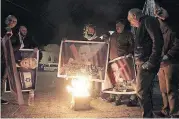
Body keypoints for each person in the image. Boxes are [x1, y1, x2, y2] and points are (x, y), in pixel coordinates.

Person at [127, 8, 164, 117]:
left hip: (146, 62)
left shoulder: (148, 21)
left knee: (141, 90)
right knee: (144, 90)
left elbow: (157, 41)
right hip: (144, 61)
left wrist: (151, 61)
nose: (131, 23)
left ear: (134, 16)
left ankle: (147, 116)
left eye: (130, 20)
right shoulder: (144, 23)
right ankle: (148, 114)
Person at [154, 3, 179, 118]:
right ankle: (165, 110)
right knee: (163, 89)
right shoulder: (159, 30)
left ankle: (175, 113)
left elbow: (177, 45)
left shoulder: (172, 27)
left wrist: (168, 55)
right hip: (161, 63)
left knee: (171, 89)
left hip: (171, 63)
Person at [107, 20, 137, 106]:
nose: (117, 27)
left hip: (124, 61)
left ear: (123, 26)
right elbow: (109, 46)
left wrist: (127, 54)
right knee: (115, 80)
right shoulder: (113, 35)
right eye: (116, 26)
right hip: (113, 61)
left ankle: (131, 98)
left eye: (119, 25)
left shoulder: (128, 34)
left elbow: (132, 46)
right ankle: (115, 96)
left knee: (127, 79)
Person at [1, 15, 18, 104]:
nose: (12, 22)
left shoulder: (15, 34)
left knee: (3, 78)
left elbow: (17, 46)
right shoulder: (1, 29)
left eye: (14, 21)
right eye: (10, 20)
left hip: (7, 59)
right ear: (6, 20)